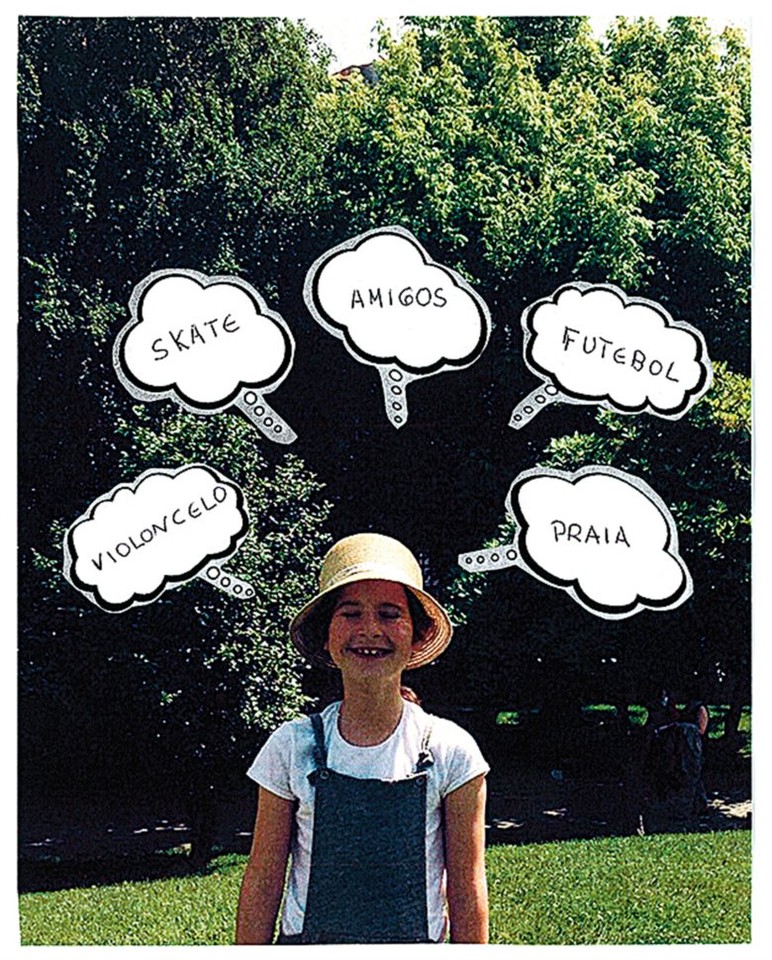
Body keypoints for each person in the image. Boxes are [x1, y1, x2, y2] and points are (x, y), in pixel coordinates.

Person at [236, 533, 490, 945]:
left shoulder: (451, 752)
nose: (369, 629)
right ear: (326, 633)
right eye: (350, 613)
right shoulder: (291, 747)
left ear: (417, 634)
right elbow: (263, 881)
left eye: (390, 614)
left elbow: (467, 890)